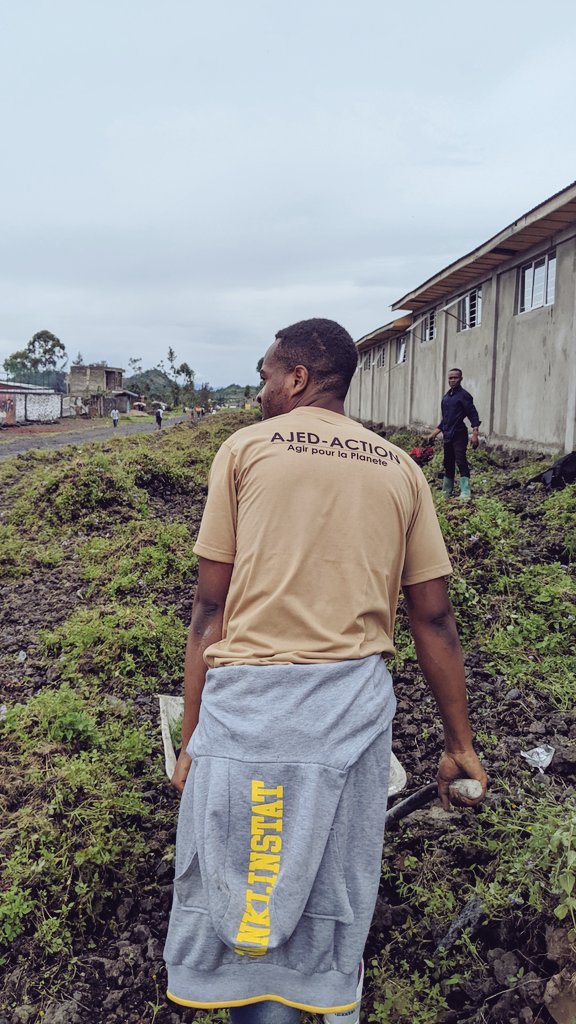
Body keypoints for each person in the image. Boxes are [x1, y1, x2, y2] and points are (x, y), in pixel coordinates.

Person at [164, 319, 487, 1021]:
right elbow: (433, 618)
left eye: (264, 376)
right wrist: (459, 744)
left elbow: (209, 610)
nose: (259, 392)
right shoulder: (399, 467)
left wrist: (192, 739)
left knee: (250, 906)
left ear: (299, 379)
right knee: (330, 891)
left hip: (250, 718)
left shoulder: (246, 451)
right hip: (350, 721)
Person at [427, 368, 481, 500]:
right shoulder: (447, 397)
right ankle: (447, 490)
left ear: (461, 378)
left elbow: (473, 415)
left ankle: (465, 492)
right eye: (450, 378)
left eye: (455, 378)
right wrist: (434, 433)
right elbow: (446, 419)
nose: (452, 380)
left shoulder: (464, 396)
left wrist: (475, 434)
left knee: (460, 460)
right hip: (447, 435)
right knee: (448, 462)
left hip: (459, 434)